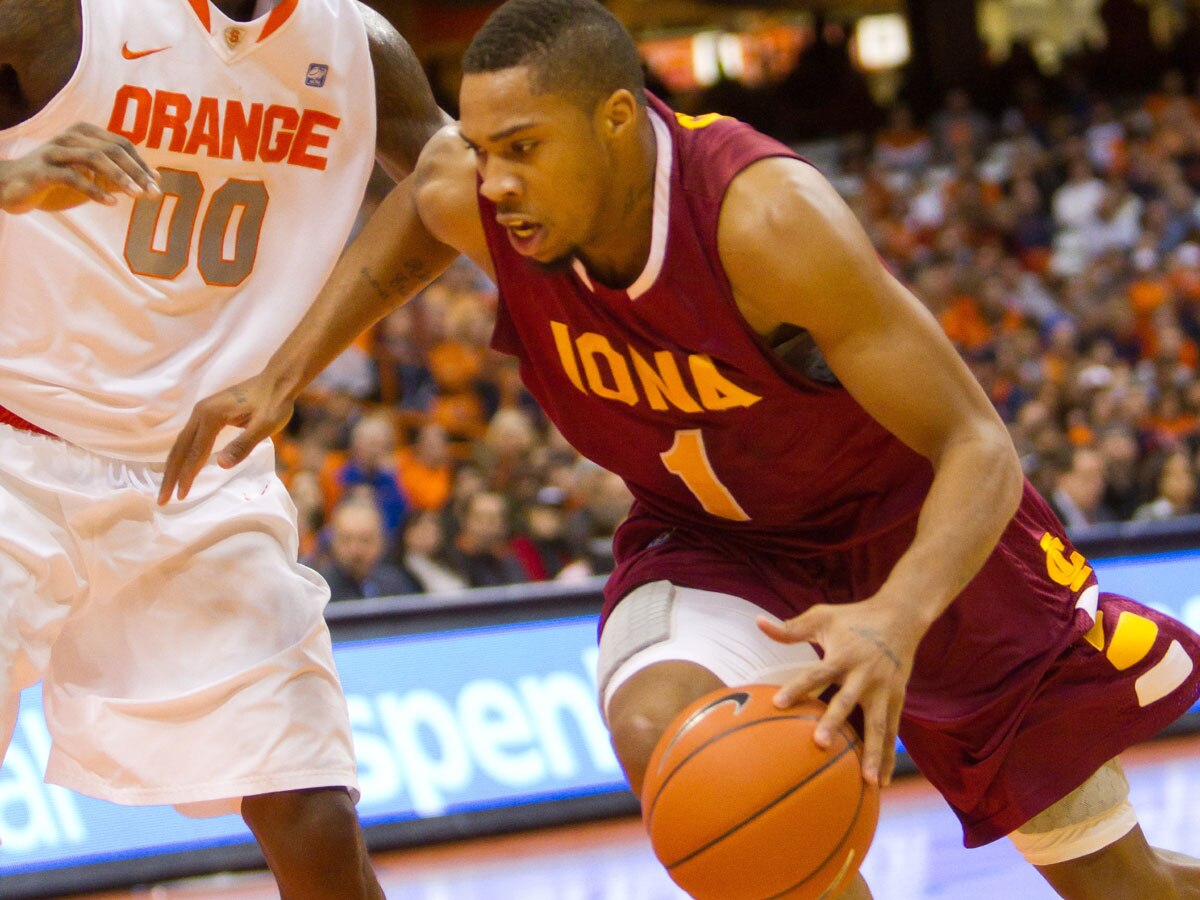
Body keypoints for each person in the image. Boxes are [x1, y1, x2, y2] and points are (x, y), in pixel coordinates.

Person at [159, 1, 1200, 897]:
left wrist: (894, 623)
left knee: (1118, 885)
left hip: (921, 547)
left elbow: (979, 446)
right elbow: (418, 213)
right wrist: (280, 376)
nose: (496, 182)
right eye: (485, 149)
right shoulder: (475, 191)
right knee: (695, 757)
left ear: (617, 122)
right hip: (716, 544)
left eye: (524, 147)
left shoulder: (766, 219)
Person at [0, 0, 444, 896]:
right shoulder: (57, 16)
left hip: (197, 474)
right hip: (14, 440)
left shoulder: (358, 47)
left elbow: (455, 187)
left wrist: (293, 364)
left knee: (310, 803)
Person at [319, 499, 422, 600]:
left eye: (365, 540)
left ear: (381, 542)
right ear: (333, 542)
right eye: (346, 540)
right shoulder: (319, 592)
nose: (355, 550)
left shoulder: (396, 585)